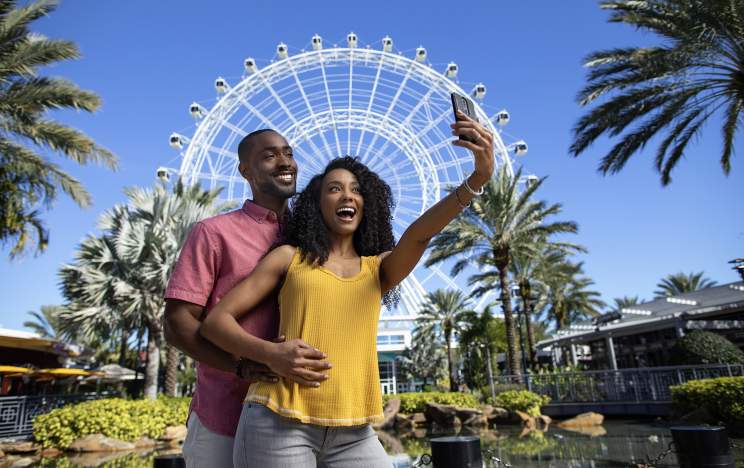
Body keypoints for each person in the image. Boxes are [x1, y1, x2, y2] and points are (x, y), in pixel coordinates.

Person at [200, 112, 494, 468]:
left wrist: (477, 179)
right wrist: (269, 354)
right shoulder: (288, 258)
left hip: (354, 431)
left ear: (367, 203)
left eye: (356, 189)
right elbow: (216, 322)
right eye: (334, 188)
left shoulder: (379, 269)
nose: (347, 195)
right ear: (316, 203)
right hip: (278, 420)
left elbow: (419, 234)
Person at [163, 129, 331, 468]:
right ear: (245, 171)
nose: (284, 162)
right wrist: (242, 366)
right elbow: (178, 326)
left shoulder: (316, 238)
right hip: (226, 413)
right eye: (269, 156)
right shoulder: (213, 233)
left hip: (304, 417)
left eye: (288, 153)